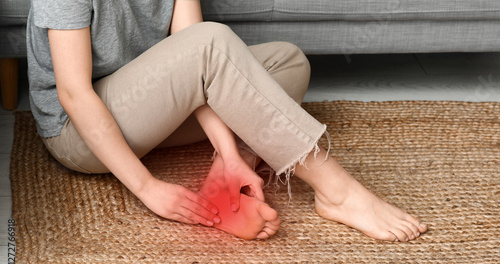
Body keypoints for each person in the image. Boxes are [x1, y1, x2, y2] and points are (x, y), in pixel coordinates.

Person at [27, 0, 427, 242]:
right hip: (77, 133)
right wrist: (147, 187)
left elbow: (198, 73)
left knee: (287, 63)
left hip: (149, 115)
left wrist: (230, 154)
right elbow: (75, 94)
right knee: (212, 41)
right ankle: (336, 191)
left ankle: (226, 180)